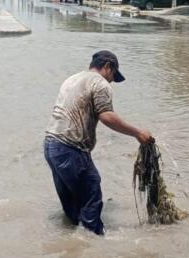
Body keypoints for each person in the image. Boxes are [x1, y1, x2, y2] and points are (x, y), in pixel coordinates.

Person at [44, 50, 154, 235]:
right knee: (92, 198)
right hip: (71, 149)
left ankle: (71, 250)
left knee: (72, 204)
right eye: (113, 76)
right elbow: (106, 117)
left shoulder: (72, 79)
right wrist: (137, 133)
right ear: (107, 67)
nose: (112, 81)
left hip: (51, 146)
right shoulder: (100, 83)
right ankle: (93, 244)